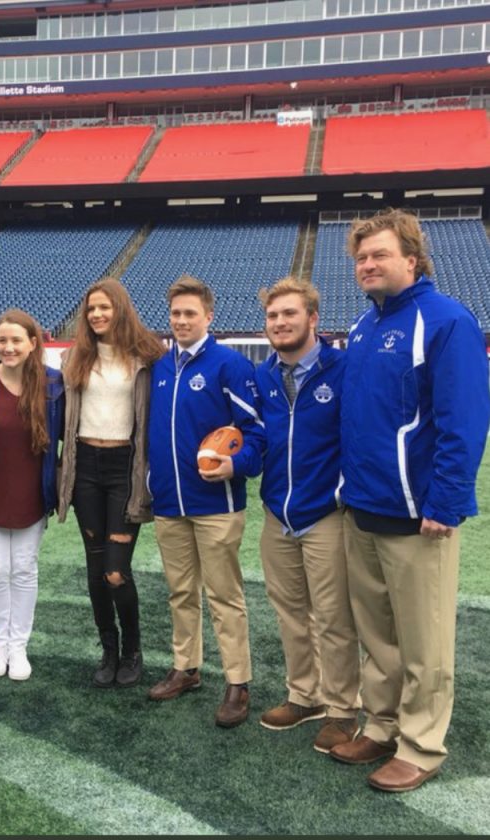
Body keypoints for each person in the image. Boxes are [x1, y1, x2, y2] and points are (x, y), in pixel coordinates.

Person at [332, 209, 490, 791]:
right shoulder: (363, 327)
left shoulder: (447, 320)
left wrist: (445, 503)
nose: (367, 265)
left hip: (418, 516)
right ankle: (382, 723)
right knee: (378, 636)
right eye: (360, 258)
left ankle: (421, 745)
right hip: (363, 510)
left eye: (378, 255)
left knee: (424, 641)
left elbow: (464, 420)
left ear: (412, 259)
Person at [146, 276, 264, 728]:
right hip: (169, 503)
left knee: (224, 595)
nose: (181, 321)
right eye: (175, 314)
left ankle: (238, 682)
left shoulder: (229, 366)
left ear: (208, 317)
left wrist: (236, 467)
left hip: (216, 504)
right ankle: (186, 668)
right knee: (180, 591)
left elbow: (256, 433)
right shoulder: (159, 367)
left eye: (190, 313)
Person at [254, 277, 360, 752]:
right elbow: (255, 439)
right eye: (273, 316)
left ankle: (343, 707)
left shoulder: (343, 370)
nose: (280, 323)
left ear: (313, 318)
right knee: (290, 613)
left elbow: (358, 439)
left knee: (334, 617)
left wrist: (340, 493)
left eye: (289, 314)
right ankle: (304, 695)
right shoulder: (263, 375)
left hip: (326, 513)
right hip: (277, 513)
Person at [58, 278, 163, 688]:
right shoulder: (76, 357)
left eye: (105, 307)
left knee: (116, 571)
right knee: (95, 568)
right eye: (91, 309)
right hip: (85, 466)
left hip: (125, 469)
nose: (97, 315)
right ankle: (109, 649)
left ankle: (133, 649)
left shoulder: (147, 357)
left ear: (120, 308)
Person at [0, 310, 64, 680]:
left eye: (16, 341)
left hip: (32, 492)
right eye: (3, 341)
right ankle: (0, 644)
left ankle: (19, 646)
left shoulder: (53, 384)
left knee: (23, 570)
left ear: (32, 344)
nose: (8, 347)